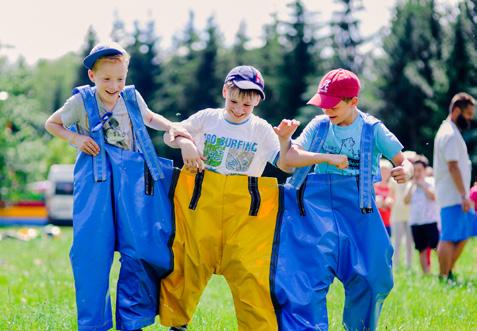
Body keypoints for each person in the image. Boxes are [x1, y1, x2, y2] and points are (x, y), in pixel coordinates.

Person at [159, 65, 348, 331]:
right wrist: (185, 143)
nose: (238, 108)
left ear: (258, 100)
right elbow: (171, 132)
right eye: (233, 101)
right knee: (187, 266)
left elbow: (286, 164)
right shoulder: (207, 118)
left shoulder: (260, 130)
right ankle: (176, 324)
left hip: (245, 214)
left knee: (251, 278)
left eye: (247, 104)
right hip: (200, 205)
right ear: (225, 91)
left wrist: (287, 141)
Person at [45, 42, 190, 331]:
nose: (114, 85)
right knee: (91, 252)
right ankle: (93, 324)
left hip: (134, 181)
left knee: (138, 249)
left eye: (120, 78)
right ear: (92, 76)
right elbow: (52, 123)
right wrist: (76, 140)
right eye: (107, 79)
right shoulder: (81, 102)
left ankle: (132, 321)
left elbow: (150, 119)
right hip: (94, 179)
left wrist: (171, 127)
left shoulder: (132, 97)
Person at [271, 68, 413, 331]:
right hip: (313, 210)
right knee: (303, 281)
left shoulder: (373, 129)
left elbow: (403, 162)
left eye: (332, 105)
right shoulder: (319, 125)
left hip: (360, 208)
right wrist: (321, 156)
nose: (326, 110)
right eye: (322, 104)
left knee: (374, 277)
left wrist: (405, 171)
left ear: (353, 102)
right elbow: (289, 162)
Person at [433, 92, 475, 282]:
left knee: (467, 230)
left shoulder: (451, 131)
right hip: (453, 195)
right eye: (467, 114)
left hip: (456, 195)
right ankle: (444, 276)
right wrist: (464, 195)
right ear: (456, 110)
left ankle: (448, 271)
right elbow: (452, 166)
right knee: (448, 237)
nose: (470, 119)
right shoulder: (449, 134)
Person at [404, 158, 439, 274]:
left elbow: (433, 197)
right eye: (415, 170)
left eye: (419, 170)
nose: (417, 173)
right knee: (421, 249)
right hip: (415, 222)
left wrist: (423, 185)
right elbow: (406, 200)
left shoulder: (431, 182)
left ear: (425, 170)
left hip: (430, 221)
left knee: (436, 247)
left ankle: (443, 270)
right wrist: (412, 185)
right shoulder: (410, 185)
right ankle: (426, 273)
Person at [390, 150, 416, 269]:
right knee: (396, 242)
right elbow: (391, 195)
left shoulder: (414, 181)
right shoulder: (394, 179)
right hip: (397, 214)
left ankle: (409, 265)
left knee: (410, 243)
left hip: (411, 215)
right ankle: (395, 265)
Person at [375, 159, 394, 237]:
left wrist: (382, 203)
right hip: (375, 223)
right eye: (382, 170)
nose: (384, 173)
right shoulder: (374, 186)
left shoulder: (391, 188)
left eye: (386, 171)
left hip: (386, 223)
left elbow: (391, 204)